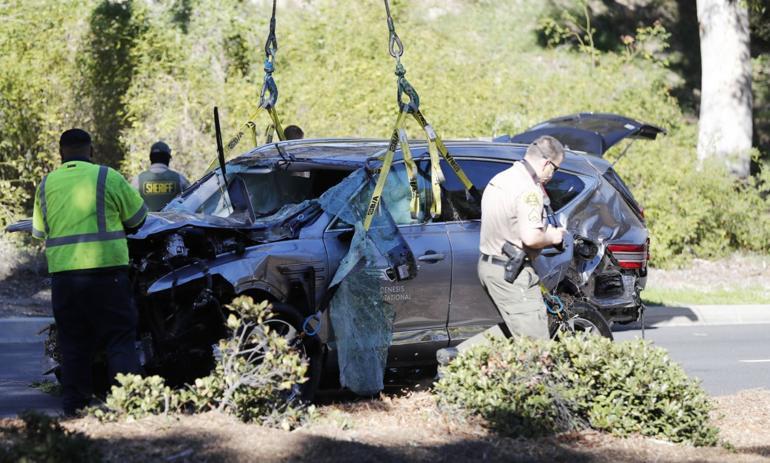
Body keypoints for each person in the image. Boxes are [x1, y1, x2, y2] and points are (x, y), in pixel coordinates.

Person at [32, 128, 148, 416]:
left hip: (66, 279)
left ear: (61, 153)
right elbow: (138, 218)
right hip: (107, 274)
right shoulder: (108, 177)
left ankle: (74, 410)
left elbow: (38, 232)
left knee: (73, 344)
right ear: (91, 151)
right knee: (119, 338)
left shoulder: (46, 184)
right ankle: (127, 407)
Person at [436, 135, 567, 365]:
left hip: (489, 265)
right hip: (512, 271)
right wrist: (554, 236)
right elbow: (531, 236)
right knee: (536, 345)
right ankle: (540, 395)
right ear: (547, 163)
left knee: (514, 328)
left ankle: (456, 358)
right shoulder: (529, 190)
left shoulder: (501, 179)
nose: (552, 175)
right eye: (555, 169)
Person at [131, 141, 190, 212]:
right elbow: (192, 201)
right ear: (168, 158)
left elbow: (130, 204)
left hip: (147, 222)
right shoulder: (180, 179)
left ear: (151, 158)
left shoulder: (137, 180)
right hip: (174, 222)